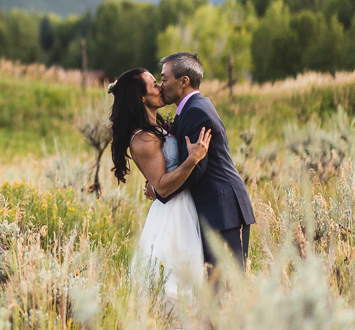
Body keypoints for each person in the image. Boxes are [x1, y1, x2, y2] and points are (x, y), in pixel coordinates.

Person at [109, 67, 211, 300]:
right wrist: (192, 160)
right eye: (154, 84)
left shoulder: (157, 128)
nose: (160, 87)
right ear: (141, 97)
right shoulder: (143, 139)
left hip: (185, 207)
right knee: (173, 286)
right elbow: (163, 186)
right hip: (172, 216)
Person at [148, 52, 256, 269]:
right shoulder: (190, 110)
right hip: (216, 210)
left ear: (183, 81)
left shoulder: (196, 112)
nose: (161, 85)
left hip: (222, 211)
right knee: (217, 288)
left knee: (225, 288)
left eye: (165, 79)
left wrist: (161, 189)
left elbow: (196, 168)